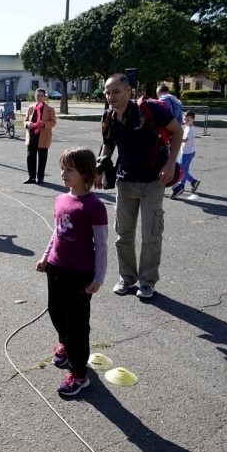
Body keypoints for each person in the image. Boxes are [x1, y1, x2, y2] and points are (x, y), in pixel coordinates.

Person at [96, 73, 183, 299]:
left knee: (151, 234)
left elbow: (178, 130)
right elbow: (107, 145)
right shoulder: (108, 116)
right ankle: (127, 278)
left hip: (154, 180)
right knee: (123, 234)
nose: (111, 96)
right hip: (125, 181)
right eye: (107, 92)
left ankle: (147, 281)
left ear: (128, 91)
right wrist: (99, 170)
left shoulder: (149, 110)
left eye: (116, 91)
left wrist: (170, 164)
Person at [35, 147, 108, 396]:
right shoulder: (60, 200)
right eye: (62, 168)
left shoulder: (94, 205)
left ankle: (79, 374)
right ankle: (65, 345)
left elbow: (101, 245)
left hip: (79, 274)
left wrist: (99, 277)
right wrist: (46, 257)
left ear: (85, 173)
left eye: (70, 170)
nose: (63, 174)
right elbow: (57, 233)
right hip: (56, 268)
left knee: (76, 325)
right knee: (56, 313)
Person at [22, 88, 58, 184]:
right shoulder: (31, 107)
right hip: (32, 136)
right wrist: (28, 124)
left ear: (44, 97)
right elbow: (25, 120)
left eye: (41, 96)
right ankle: (31, 177)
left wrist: (44, 124)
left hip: (43, 137)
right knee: (30, 158)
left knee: (42, 158)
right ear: (35, 97)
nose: (40, 97)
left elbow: (53, 122)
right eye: (38, 95)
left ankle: (40, 177)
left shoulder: (49, 109)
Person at [170, 110, 200, 198]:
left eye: (188, 120)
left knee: (181, 169)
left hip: (186, 153)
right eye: (185, 119)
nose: (186, 121)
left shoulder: (190, 129)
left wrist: (175, 139)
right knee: (184, 169)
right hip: (188, 151)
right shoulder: (187, 126)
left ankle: (193, 181)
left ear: (193, 119)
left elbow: (185, 140)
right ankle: (181, 186)